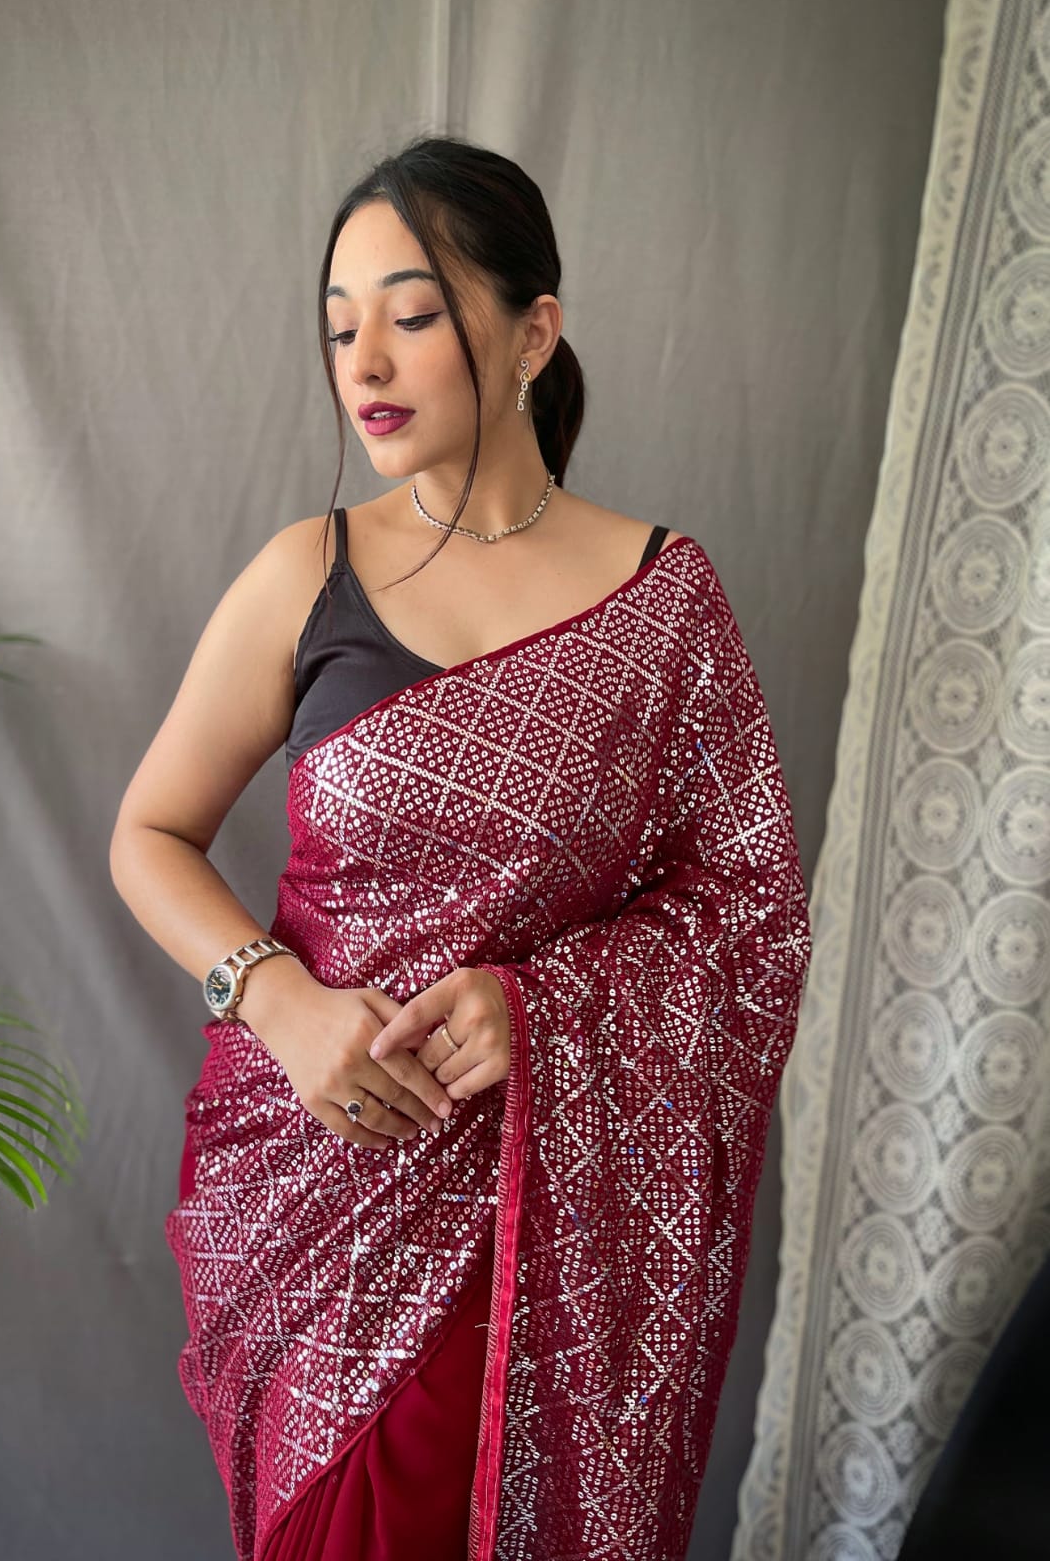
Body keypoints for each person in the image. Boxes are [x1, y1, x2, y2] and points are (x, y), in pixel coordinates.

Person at [109, 134, 813, 1561]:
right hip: (317, 1190)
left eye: (413, 316)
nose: (364, 362)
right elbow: (149, 833)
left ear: (532, 333)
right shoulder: (308, 574)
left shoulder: (664, 603)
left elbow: (751, 915)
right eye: (339, 328)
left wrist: (537, 1007)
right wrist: (280, 1001)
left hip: (541, 1221)